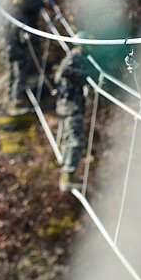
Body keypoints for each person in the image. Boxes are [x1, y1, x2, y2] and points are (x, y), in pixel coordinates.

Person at [4, 0, 59, 114]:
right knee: (15, 56)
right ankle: (15, 95)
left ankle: (20, 90)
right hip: (18, 11)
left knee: (27, 48)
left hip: (31, 11)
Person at [54, 31, 93, 192]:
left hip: (69, 105)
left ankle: (67, 176)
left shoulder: (76, 58)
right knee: (76, 141)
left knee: (71, 138)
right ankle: (68, 177)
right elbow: (64, 73)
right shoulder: (74, 58)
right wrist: (85, 76)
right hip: (71, 106)